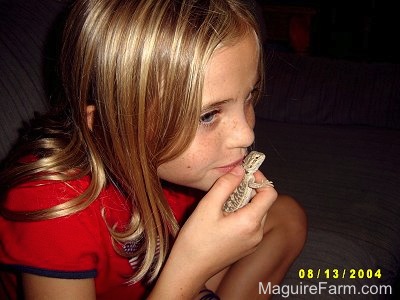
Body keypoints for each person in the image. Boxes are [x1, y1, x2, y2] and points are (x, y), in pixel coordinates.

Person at [0, 0, 307, 299]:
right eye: (207, 115)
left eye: (248, 97)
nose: (246, 133)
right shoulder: (51, 205)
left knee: (286, 216)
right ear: (110, 126)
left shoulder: (180, 173)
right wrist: (190, 267)